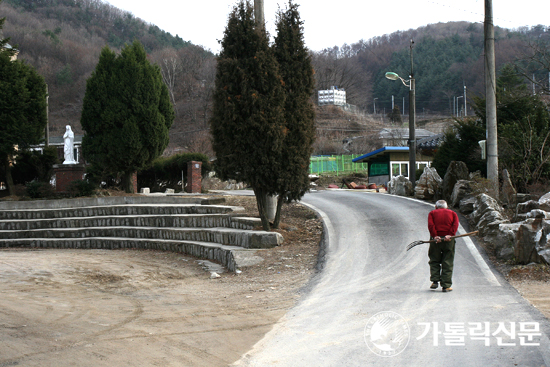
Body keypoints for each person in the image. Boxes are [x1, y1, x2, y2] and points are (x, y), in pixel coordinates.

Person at [427, 199, 459, 292]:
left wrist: (435, 236)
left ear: (436, 207)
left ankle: (435, 281)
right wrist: (450, 234)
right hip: (448, 240)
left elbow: (431, 225)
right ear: (447, 207)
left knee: (434, 259)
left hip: (435, 240)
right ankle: (446, 285)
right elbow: (455, 224)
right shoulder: (453, 213)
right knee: (447, 261)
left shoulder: (432, 213)